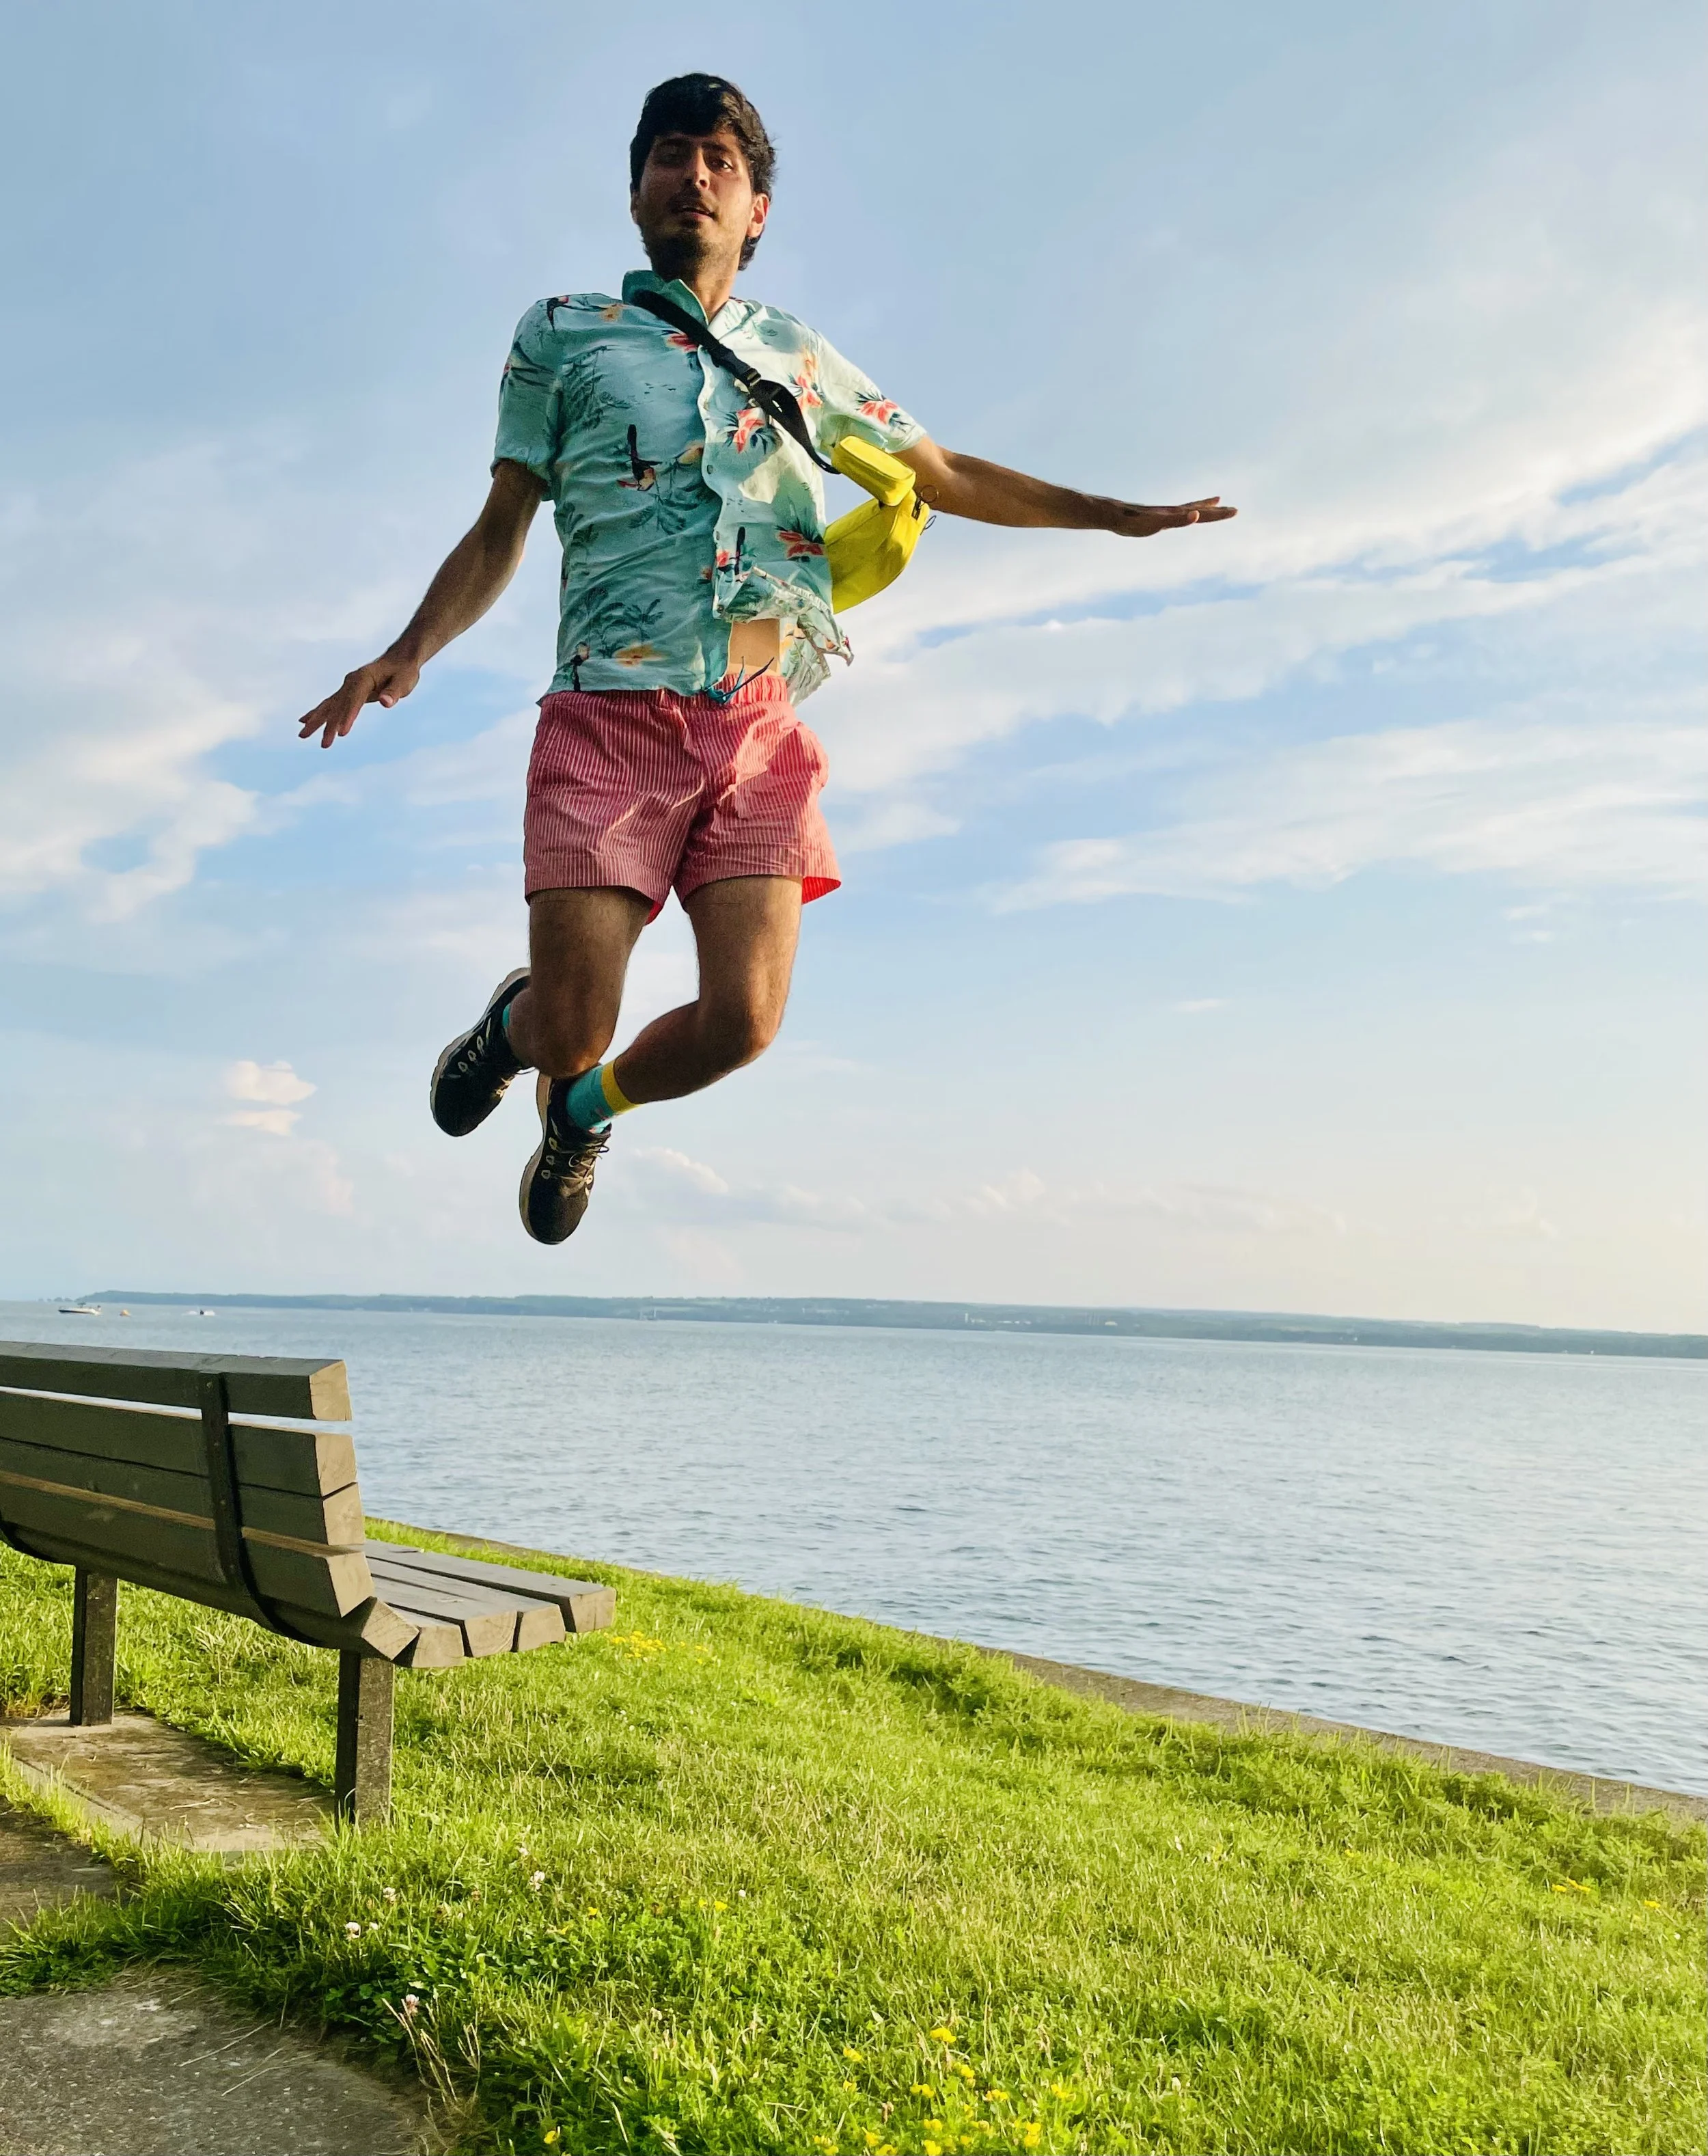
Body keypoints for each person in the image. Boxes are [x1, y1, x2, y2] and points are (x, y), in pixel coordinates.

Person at [298, 73, 1236, 1244]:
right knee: (575, 1016)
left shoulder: (796, 354)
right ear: (636, 192)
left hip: (758, 725)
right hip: (608, 719)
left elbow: (943, 472)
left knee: (742, 1023)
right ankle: (514, 1035)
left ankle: (581, 1112)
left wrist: (1109, 513)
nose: (692, 174)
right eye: (669, 156)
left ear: (757, 210)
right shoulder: (561, 337)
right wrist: (409, 650)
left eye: (720, 162)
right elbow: (503, 525)